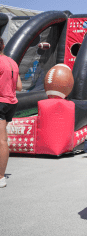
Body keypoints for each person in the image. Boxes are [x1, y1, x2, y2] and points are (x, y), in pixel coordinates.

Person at [0, 36, 23, 188]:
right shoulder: (12, 62)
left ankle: (1, 177)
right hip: (11, 103)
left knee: (1, 140)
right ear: (2, 46)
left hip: (0, 102)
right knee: (2, 139)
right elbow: (19, 87)